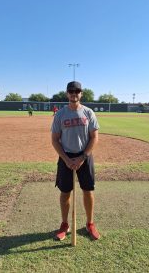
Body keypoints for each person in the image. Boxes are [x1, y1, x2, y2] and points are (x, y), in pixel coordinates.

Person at [51, 81, 100, 241]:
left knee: (88, 190)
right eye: (71, 91)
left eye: (77, 91)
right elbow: (55, 140)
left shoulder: (88, 113)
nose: (74, 93)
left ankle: (90, 224)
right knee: (65, 192)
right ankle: (65, 224)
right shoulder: (60, 114)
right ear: (67, 93)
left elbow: (94, 137)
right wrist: (66, 159)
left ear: (81, 93)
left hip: (85, 157)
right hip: (66, 156)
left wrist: (82, 157)